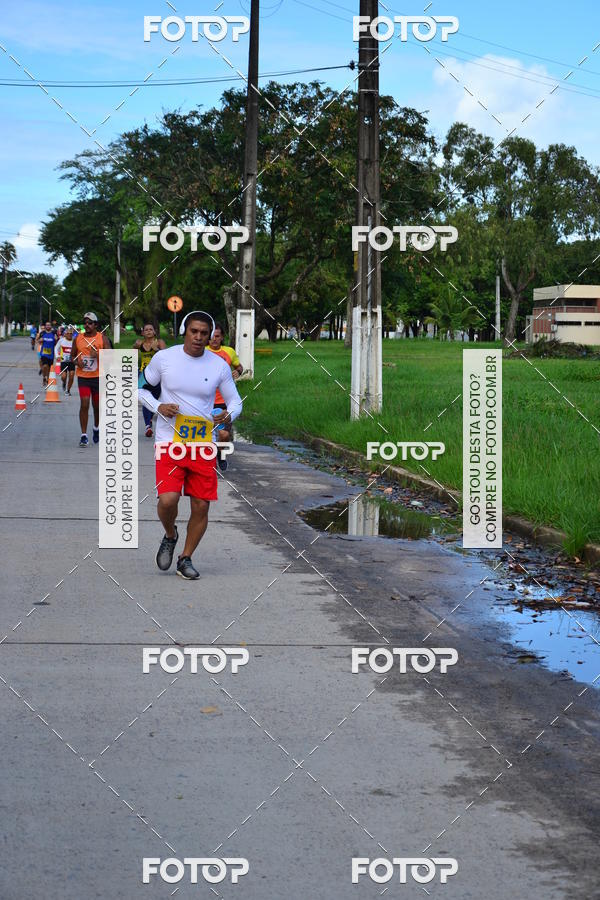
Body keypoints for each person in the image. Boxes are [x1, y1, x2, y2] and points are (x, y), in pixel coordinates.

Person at [138, 311, 242, 580]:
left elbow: (235, 401)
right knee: (168, 499)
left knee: (201, 506)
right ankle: (170, 534)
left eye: (204, 333)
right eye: (194, 331)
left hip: (203, 444)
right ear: (185, 331)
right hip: (169, 441)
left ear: (210, 336)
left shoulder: (218, 365)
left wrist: (228, 415)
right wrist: (158, 406)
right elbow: (140, 389)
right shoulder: (164, 358)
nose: (198, 337)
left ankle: (185, 558)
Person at [71, 312, 111, 447]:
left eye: (90, 323)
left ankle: (96, 428)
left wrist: (98, 354)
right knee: (84, 403)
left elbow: (111, 356)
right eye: (85, 323)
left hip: (99, 377)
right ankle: (84, 435)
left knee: (97, 406)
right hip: (83, 377)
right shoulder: (78, 338)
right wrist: (77, 362)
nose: (87, 325)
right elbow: (72, 356)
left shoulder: (102, 338)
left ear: (95, 325)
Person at [207, 323, 243, 471]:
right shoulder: (202, 352)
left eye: (217, 336)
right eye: (211, 336)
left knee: (223, 435)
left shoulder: (229, 352)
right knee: (206, 436)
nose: (214, 339)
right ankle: (208, 465)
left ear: (222, 337)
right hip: (206, 402)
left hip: (224, 402)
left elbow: (239, 366)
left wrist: (238, 372)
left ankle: (221, 455)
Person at [133, 323, 166, 438]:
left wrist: (156, 349)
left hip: (157, 374)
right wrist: (135, 347)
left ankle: (150, 418)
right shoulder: (139, 343)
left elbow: (166, 356)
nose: (148, 331)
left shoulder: (159, 342)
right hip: (143, 373)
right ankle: (148, 426)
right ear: (142, 333)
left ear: (154, 332)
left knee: (154, 398)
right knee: (145, 398)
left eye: (150, 329)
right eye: (146, 330)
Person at [55, 325, 75, 395]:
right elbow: (56, 348)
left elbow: (78, 350)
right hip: (63, 361)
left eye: (71, 333)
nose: (69, 335)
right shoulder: (61, 340)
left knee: (71, 376)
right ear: (65, 334)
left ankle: (68, 390)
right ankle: (64, 382)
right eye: (68, 333)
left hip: (71, 361)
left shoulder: (74, 341)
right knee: (63, 376)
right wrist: (57, 356)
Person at [36, 322, 57, 386]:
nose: (48, 326)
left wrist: (56, 340)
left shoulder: (53, 333)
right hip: (44, 353)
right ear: (45, 326)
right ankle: (44, 377)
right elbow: (37, 340)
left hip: (51, 354)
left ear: (51, 326)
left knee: (49, 368)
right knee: (45, 366)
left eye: (49, 325)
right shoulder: (42, 333)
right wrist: (40, 340)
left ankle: (47, 379)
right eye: (47, 325)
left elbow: (56, 343)